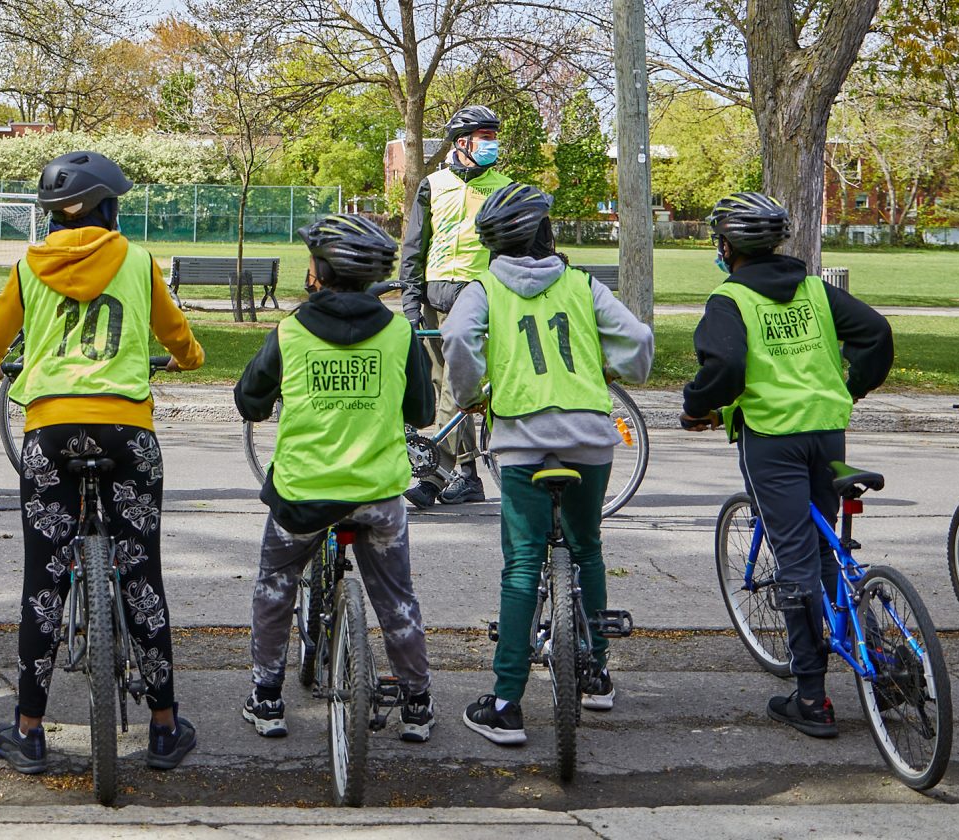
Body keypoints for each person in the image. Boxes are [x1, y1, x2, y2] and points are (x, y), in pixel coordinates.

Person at [0, 151, 206, 774]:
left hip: (50, 432)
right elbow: (181, 341)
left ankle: (29, 730)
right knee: (141, 574)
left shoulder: (27, 268)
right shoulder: (137, 262)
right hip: (126, 431)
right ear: (109, 206)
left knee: (42, 582)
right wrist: (186, 358)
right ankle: (162, 726)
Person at [443, 185, 654, 745]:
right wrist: (615, 372)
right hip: (589, 437)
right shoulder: (582, 284)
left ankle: (508, 702)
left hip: (521, 440)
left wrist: (467, 396)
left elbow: (458, 340)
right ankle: (599, 671)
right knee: (587, 546)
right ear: (545, 234)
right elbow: (637, 339)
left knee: (522, 564)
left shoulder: (483, 289)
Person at [679, 192, 894, 740]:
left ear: (727, 246)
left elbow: (724, 364)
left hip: (773, 438)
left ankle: (812, 695)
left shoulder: (729, 300)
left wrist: (697, 405)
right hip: (827, 431)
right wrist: (853, 386)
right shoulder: (815, 290)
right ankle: (875, 651)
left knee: (795, 559)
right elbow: (877, 334)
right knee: (824, 549)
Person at [233, 214, 439, 743]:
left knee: (275, 586)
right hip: (378, 496)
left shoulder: (291, 331)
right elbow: (421, 411)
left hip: (304, 495)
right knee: (396, 595)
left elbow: (249, 401)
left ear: (318, 271)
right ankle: (417, 703)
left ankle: (266, 696)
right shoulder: (400, 332)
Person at [399, 105, 518, 508]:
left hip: (476, 296)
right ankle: (467, 474)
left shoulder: (504, 186)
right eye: (485, 136)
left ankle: (433, 478)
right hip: (433, 295)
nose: (492, 143)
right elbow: (415, 246)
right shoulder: (432, 185)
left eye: (492, 136)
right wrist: (411, 302)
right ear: (462, 142)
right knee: (440, 388)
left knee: (456, 386)